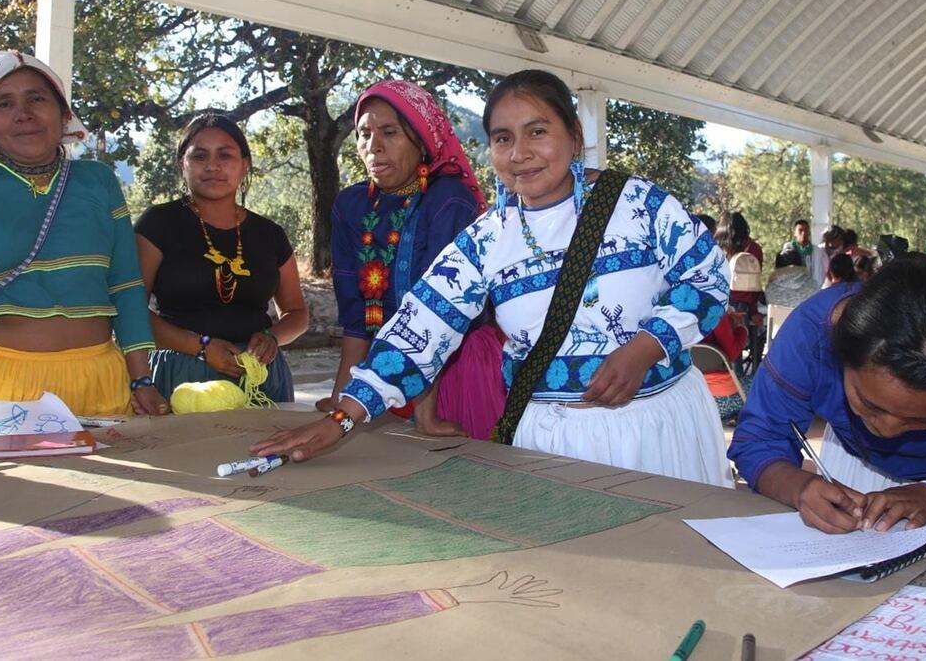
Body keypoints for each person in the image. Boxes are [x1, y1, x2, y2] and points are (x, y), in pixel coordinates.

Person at [251, 69, 733, 487]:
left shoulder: (636, 204)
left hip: (657, 426)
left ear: (574, 135)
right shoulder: (487, 239)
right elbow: (421, 327)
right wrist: (342, 417)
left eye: (537, 131)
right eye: (503, 138)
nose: (520, 153)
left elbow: (707, 277)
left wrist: (646, 347)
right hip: (549, 438)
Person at [0, 50, 167, 439]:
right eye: (4, 103)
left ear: (64, 114)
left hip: (97, 381)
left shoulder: (98, 181)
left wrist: (140, 379)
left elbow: (126, 284)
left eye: (37, 98)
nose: (22, 113)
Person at [728, 259, 926, 534]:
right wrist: (797, 487)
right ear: (840, 355)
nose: (887, 431)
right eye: (870, 405)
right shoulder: (811, 334)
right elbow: (759, 439)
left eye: (921, 419)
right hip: (855, 476)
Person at [321, 79, 501, 438]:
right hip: (382, 370)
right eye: (364, 133)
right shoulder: (351, 205)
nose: (374, 147)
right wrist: (341, 398)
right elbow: (358, 314)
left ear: (421, 140)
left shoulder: (448, 199)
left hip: (453, 371)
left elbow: (441, 313)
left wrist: (425, 416)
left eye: (390, 132)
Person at [135, 113, 308, 402]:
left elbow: (297, 314)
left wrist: (272, 337)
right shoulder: (158, 224)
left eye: (225, 155)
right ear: (182, 165)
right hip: (181, 375)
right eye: (200, 156)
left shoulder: (270, 234)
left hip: (260, 375)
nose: (213, 166)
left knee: (267, 448)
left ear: (245, 165)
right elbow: (130, 311)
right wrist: (201, 346)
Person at [784, 219, 826, 283]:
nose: (803, 233)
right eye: (800, 230)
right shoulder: (789, 248)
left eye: (806, 230)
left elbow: (819, 273)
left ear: (809, 232)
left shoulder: (817, 251)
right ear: (795, 233)